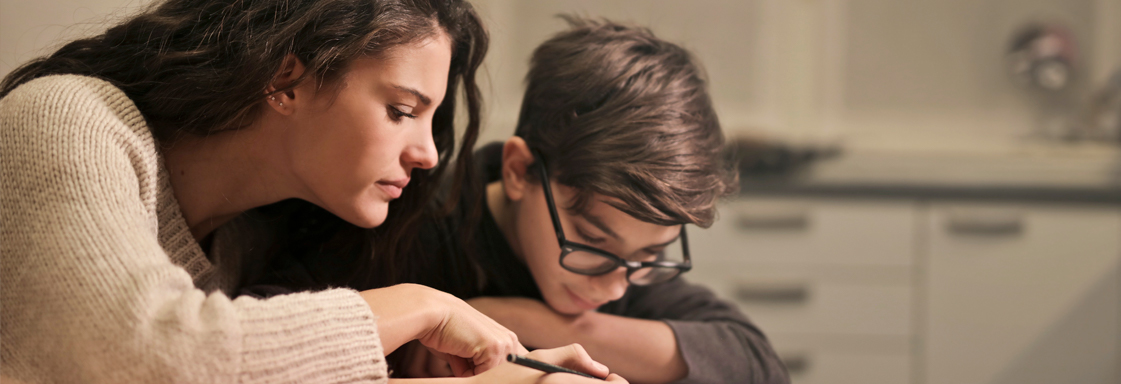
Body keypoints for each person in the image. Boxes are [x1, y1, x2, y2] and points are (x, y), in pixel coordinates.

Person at [0, 0, 624, 383]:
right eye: (403, 109)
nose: (429, 153)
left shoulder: (250, 237)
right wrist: (419, 305)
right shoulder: (68, 120)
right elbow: (150, 358)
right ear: (286, 79)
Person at [249, 17, 790, 384]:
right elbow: (253, 335)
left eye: (649, 258)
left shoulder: (616, 269)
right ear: (518, 171)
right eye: (595, 243)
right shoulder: (402, 220)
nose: (614, 285)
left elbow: (754, 361)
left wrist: (536, 322)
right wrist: (415, 325)